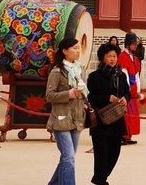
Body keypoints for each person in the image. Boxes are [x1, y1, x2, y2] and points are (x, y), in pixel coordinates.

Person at [88, 41, 131, 185]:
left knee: (114, 153)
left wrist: (126, 99)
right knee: (101, 154)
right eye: (109, 56)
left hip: (117, 118)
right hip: (101, 120)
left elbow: (127, 93)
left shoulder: (121, 75)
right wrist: (107, 98)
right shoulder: (94, 76)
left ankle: (99, 178)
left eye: (114, 56)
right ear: (102, 58)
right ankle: (100, 180)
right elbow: (89, 97)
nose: (113, 59)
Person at [46, 37, 87, 185]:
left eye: (78, 48)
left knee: (68, 157)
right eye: (74, 48)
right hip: (61, 119)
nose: (78, 51)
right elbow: (49, 96)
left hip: (77, 118)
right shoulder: (56, 72)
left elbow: (83, 92)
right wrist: (69, 94)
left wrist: (84, 101)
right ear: (64, 51)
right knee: (68, 157)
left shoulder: (80, 70)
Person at [117, 32, 143, 145]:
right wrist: (127, 90)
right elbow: (124, 75)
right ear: (128, 44)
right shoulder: (122, 56)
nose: (136, 46)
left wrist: (138, 90)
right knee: (125, 113)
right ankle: (122, 135)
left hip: (133, 89)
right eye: (134, 44)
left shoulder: (135, 58)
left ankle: (128, 135)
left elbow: (136, 74)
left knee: (132, 113)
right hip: (126, 89)